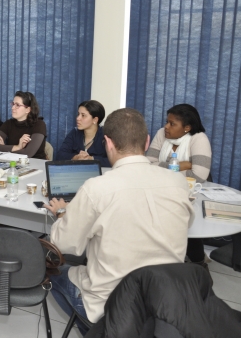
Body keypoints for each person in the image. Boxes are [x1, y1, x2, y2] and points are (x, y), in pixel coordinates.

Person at [43, 108, 194, 335]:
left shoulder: (97, 188)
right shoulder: (178, 183)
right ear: (147, 141)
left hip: (112, 304)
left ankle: (97, 330)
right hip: (165, 300)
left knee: (54, 271)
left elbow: (64, 244)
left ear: (107, 143)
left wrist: (63, 215)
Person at [145, 103, 212, 269]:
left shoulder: (199, 139)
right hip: (161, 189)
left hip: (190, 190)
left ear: (187, 128)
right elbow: (149, 163)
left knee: (188, 224)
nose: (166, 127)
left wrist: (164, 167)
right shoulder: (162, 133)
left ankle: (198, 263)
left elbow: (199, 175)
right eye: (167, 122)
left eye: (172, 124)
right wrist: (182, 165)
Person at [0, 91, 47, 158]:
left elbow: (28, 153)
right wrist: (17, 147)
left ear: (28, 109)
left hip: (35, 164)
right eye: (13, 104)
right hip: (13, 163)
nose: (13, 108)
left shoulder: (39, 124)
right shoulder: (8, 124)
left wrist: (3, 148)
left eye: (17, 105)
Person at [56, 100, 110, 167]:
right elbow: (60, 155)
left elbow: (113, 160)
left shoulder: (106, 136)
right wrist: (76, 157)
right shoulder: (75, 133)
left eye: (83, 115)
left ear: (95, 120)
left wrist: (91, 159)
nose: (78, 118)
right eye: (78, 114)